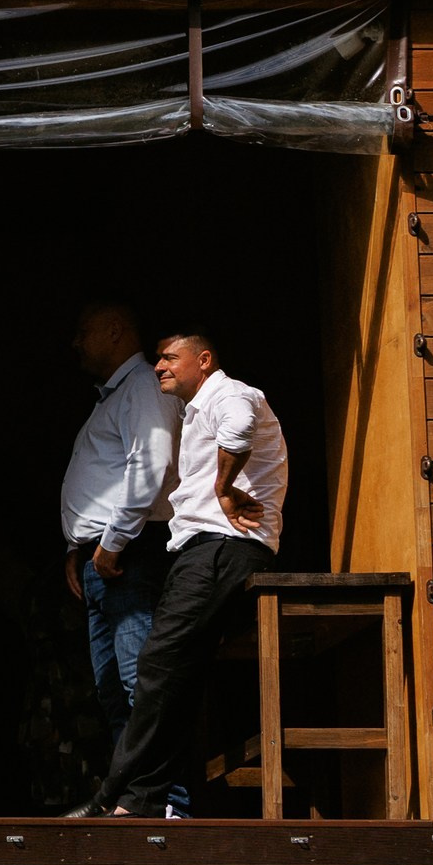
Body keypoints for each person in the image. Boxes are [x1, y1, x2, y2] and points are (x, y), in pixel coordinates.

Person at [75, 329, 289, 819]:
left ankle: (113, 796)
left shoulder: (229, 393)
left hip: (225, 547)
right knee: (172, 675)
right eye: (157, 359)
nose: (159, 366)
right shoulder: (198, 408)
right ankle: (143, 800)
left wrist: (224, 485)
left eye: (171, 357)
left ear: (205, 360)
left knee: (158, 667)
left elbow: (238, 424)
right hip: (200, 551)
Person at [56, 300, 181, 808]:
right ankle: (132, 802)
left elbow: (149, 465)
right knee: (112, 691)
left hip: (129, 553)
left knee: (139, 684)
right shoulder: (112, 396)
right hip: (102, 557)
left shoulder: (142, 386)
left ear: (115, 331)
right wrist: (77, 547)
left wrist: (111, 542)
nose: (75, 343)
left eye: (83, 330)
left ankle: (167, 806)